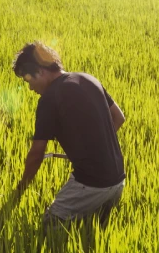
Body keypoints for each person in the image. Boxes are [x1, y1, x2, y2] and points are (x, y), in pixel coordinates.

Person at [10, 41, 127, 229]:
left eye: (29, 80)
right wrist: (93, 150)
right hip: (118, 182)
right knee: (93, 230)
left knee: (48, 230)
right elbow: (119, 118)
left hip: (90, 185)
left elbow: (37, 154)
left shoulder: (49, 99)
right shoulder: (89, 79)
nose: (31, 88)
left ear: (40, 71)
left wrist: (19, 190)